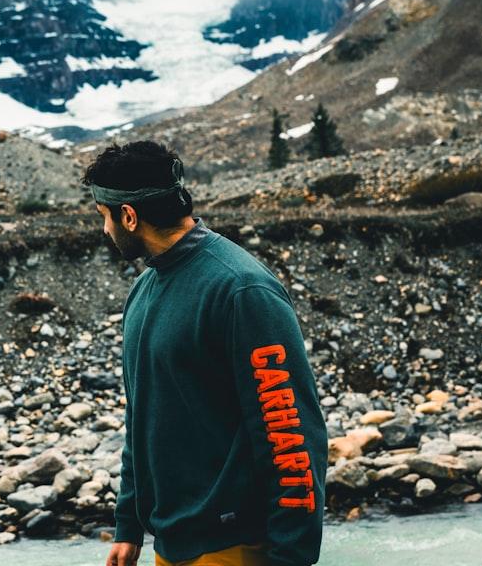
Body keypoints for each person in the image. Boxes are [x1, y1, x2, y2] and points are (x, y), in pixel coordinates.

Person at [83, 141, 326, 566]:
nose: (104, 230)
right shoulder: (143, 291)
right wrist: (129, 524)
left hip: (236, 547)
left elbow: (291, 432)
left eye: (104, 216)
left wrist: (293, 554)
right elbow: (141, 417)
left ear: (128, 216)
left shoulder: (242, 290)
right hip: (171, 542)